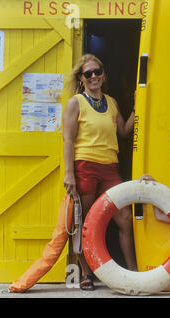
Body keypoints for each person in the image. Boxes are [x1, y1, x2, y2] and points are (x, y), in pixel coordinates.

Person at [62, 54, 137, 290]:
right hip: (85, 166)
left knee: (124, 218)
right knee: (83, 221)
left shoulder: (111, 102)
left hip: (110, 168)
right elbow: (67, 140)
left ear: (103, 74)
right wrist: (70, 173)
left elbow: (124, 131)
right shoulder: (76, 102)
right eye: (88, 73)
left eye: (98, 71)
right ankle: (86, 273)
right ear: (81, 78)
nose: (94, 76)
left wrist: (138, 107)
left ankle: (134, 271)